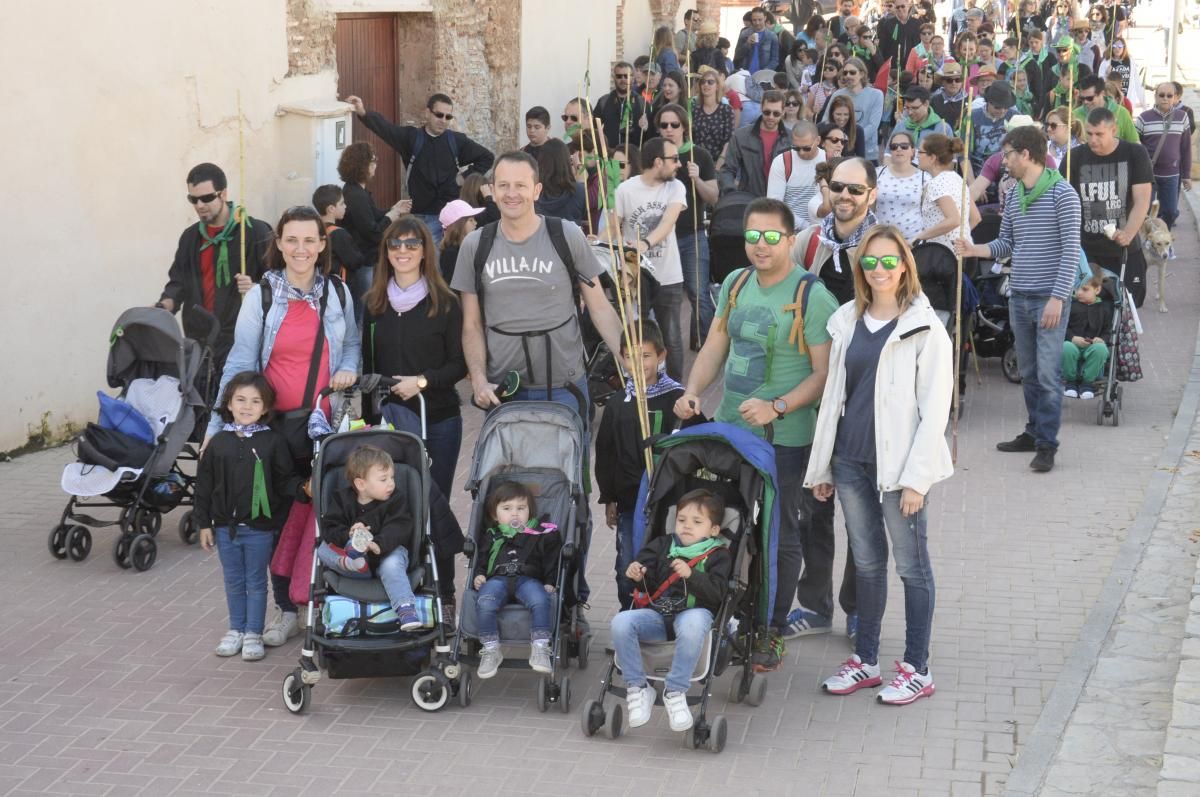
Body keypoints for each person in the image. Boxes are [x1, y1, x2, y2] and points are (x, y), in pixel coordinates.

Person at [675, 197, 840, 673]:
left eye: (771, 237)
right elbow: (715, 345)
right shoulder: (736, 281)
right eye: (753, 236)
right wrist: (693, 392)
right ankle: (722, 609)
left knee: (780, 533)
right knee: (725, 522)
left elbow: (823, 373)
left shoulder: (813, 294)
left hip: (784, 437)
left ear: (791, 239)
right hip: (730, 429)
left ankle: (769, 627)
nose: (760, 245)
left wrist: (778, 405)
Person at [806, 224, 952, 707]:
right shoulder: (848, 319)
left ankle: (917, 667)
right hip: (851, 460)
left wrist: (917, 479)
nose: (880, 269)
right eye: (871, 261)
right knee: (867, 564)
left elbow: (935, 411)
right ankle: (866, 660)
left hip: (899, 470)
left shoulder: (925, 327)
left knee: (912, 568)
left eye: (890, 261)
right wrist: (823, 467)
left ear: (905, 266)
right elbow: (833, 398)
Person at [207, 205, 361, 645]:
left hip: (323, 426)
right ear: (278, 244)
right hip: (272, 429)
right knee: (273, 518)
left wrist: (348, 368)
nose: (300, 248)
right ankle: (285, 608)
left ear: (321, 244)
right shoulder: (262, 297)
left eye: (309, 240)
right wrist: (217, 429)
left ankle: (325, 601)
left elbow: (350, 344)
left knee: (325, 514)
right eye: (291, 240)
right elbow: (239, 363)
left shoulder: (338, 294)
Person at [954, 125, 1081, 473]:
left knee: (1048, 373)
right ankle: (1033, 431)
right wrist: (975, 248)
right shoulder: (1014, 196)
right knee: (1028, 371)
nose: (1003, 161)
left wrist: (1058, 297)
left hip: (1048, 298)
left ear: (1026, 154)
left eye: (1008, 154)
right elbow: (1006, 243)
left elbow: (1071, 251)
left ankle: (1046, 445)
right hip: (1020, 295)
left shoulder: (1063, 195)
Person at [195, 372, 298, 662]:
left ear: (265, 408)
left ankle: (253, 632)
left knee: (255, 580)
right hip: (226, 527)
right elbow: (203, 486)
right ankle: (235, 629)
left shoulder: (274, 443)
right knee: (233, 580)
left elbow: (284, 480)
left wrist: (305, 488)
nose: (247, 406)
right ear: (228, 403)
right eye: (240, 399)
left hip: (260, 529)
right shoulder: (217, 443)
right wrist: (204, 523)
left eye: (256, 401)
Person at [361, 215, 466, 501]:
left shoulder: (445, 303)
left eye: (411, 244)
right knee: (394, 502)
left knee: (434, 501)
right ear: (386, 251)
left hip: (438, 419)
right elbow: (368, 366)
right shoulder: (373, 304)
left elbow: (459, 364)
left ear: (424, 251)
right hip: (390, 421)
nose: (403, 250)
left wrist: (420, 382)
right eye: (395, 243)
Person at [613, 489, 733, 731]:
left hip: (693, 614)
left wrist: (693, 576)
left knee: (694, 621)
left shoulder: (719, 555)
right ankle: (638, 687)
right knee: (621, 622)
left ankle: (675, 690)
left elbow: (719, 593)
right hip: (658, 615)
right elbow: (641, 574)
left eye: (697, 522)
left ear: (713, 530)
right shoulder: (662, 545)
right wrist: (636, 573)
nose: (687, 526)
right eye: (681, 520)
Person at [596, 320, 684, 609]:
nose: (638, 363)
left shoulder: (677, 399)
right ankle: (628, 614)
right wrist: (609, 496)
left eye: (645, 355)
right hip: (629, 501)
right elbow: (606, 452)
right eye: (630, 356)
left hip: (668, 501)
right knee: (628, 562)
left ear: (662, 356)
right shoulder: (618, 402)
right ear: (622, 358)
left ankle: (662, 616)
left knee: (665, 561)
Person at [158, 163, 271, 368]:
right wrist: (163, 306)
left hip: (241, 341)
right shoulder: (190, 237)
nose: (200, 205)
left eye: (207, 198)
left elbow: (279, 284)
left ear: (223, 194)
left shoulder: (255, 232)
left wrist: (256, 288)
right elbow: (178, 283)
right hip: (199, 343)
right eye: (193, 199)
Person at [344, 93, 495, 244]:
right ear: (427, 113)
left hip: (448, 218)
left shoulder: (456, 141)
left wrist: (463, 178)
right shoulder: (412, 138)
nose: (443, 120)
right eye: (439, 115)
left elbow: (487, 157)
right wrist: (363, 112)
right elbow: (386, 129)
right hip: (420, 217)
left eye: (448, 117)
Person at [317, 444, 424, 632]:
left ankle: (406, 608)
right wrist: (348, 533)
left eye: (392, 477)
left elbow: (399, 527)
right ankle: (354, 563)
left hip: (387, 553)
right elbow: (330, 528)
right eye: (384, 479)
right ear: (361, 484)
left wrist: (377, 544)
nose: (391, 483)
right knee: (322, 550)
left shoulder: (396, 500)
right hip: (354, 561)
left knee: (392, 563)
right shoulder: (341, 500)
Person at [1061, 107, 1153, 307]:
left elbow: (1142, 200)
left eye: (1099, 134)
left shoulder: (1135, 153)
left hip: (1124, 250)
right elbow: (1064, 203)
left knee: (1127, 308)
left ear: (1114, 130)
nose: (1093, 140)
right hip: (1086, 251)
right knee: (1085, 308)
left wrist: (1128, 233)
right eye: (1089, 133)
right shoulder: (1073, 157)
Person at [615, 137, 688, 379]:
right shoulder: (625, 189)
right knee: (636, 334)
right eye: (674, 159)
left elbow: (668, 222)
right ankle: (638, 385)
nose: (679, 164)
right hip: (637, 278)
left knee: (672, 337)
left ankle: (676, 389)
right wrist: (597, 239)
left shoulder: (675, 187)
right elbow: (614, 226)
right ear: (658, 162)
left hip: (668, 275)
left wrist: (644, 244)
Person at [473, 481, 561, 678]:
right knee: (485, 601)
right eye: (507, 509)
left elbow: (551, 560)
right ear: (495, 515)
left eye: (521, 508)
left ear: (530, 511)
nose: (515, 514)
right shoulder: (492, 536)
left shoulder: (539, 533)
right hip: (497, 578)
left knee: (540, 599)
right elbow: (482, 559)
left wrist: (549, 581)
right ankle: (491, 649)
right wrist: (479, 574)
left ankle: (540, 646)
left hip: (528, 579)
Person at [656, 104, 718, 351]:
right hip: (661, 237)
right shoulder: (653, 155)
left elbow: (713, 196)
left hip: (691, 234)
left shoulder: (699, 155)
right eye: (663, 125)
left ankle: (705, 345)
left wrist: (697, 178)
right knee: (661, 296)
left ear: (684, 127)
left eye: (674, 125)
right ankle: (662, 346)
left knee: (699, 293)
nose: (669, 130)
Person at [793, 157, 880, 306]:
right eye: (837, 186)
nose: (844, 195)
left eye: (856, 189)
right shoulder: (809, 240)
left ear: (871, 195)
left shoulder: (887, 248)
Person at [336, 142, 409, 298]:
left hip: (365, 259)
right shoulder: (355, 194)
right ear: (362, 164)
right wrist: (391, 216)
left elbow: (373, 214)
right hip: (361, 261)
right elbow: (372, 232)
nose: (376, 165)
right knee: (362, 306)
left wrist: (394, 209)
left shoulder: (357, 190)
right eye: (373, 160)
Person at [1135, 83, 1193, 231]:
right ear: (1155, 96)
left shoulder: (1182, 117)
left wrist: (1186, 175)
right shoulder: (1143, 118)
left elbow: (1186, 148)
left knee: (1171, 212)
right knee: (1146, 212)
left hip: (1172, 174)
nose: (1165, 98)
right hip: (1148, 174)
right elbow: (1135, 148)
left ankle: (1162, 238)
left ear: (1175, 98)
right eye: (1161, 95)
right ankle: (1149, 241)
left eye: (1169, 95)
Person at [313, 184, 370, 323]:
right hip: (341, 287)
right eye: (342, 203)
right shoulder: (339, 234)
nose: (345, 207)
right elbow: (354, 261)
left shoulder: (315, 230)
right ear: (331, 209)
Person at [719, 90, 791, 197]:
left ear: (783, 112)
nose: (771, 117)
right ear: (761, 108)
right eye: (767, 112)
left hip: (780, 200)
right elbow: (728, 169)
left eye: (776, 113)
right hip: (749, 199)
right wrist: (731, 193)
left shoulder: (791, 138)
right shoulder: (741, 136)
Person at [914, 134, 972, 249]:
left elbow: (954, 220)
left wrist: (920, 237)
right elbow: (975, 218)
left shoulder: (936, 184)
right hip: (966, 250)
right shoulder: (957, 179)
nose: (917, 155)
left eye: (920, 152)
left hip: (944, 256)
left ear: (932, 158)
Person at [1061, 274, 1112, 399]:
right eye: (1076, 288)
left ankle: (1087, 383)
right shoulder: (1070, 305)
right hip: (1073, 343)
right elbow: (1062, 327)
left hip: (1092, 346)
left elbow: (1107, 330)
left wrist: (1102, 339)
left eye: (1084, 289)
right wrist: (1072, 338)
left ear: (1097, 290)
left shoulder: (1104, 309)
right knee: (1065, 347)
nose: (1079, 293)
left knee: (1101, 349)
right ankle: (1070, 381)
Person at [823, 58, 883, 162]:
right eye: (845, 73)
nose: (848, 76)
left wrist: (851, 142)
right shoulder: (838, 94)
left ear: (862, 74)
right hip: (839, 153)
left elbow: (873, 125)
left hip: (867, 154)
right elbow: (826, 121)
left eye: (852, 72)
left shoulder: (876, 95)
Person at [768, 120, 826, 227]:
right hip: (790, 229)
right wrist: (806, 226)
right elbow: (774, 205)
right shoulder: (782, 162)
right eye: (796, 148)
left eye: (806, 148)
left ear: (818, 140)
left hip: (822, 231)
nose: (801, 152)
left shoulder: (829, 160)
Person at [874, 131, 926, 240]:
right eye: (894, 147)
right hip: (881, 237)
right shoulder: (877, 173)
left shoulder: (925, 178)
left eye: (904, 146)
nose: (899, 149)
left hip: (912, 240)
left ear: (913, 151)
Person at [533, 139, 588, 227]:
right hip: (570, 237)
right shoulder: (578, 191)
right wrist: (579, 167)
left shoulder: (534, 191)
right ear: (566, 162)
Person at [594, 62, 647, 152]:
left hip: (633, 156)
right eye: (619, 76)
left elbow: (650, 134)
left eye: (626, 76)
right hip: (611, 155)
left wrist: (646, 128)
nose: (623, 79)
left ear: (632, 78)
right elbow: (593, 128)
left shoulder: (642, 103)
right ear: (614, 78)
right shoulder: (604, 101)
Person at [1071, 75, 1138, 142]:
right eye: (1082, 98)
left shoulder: (1122, 113)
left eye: (1089, 98)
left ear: (1102, 94)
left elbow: (1135, 143)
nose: (1085, 102)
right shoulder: (1075, 115)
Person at [969, 81, 1016, 172]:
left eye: (1006, 107)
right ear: (988, 102)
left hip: (1007, 173)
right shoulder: (972, 117)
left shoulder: (1015, 117)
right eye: (997, 107)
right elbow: (964, 155)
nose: (1002, 111)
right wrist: (972, 183)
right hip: (978, 171)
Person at [693, 66, 737, 163]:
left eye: (710, 82)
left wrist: (722, 159)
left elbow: (729, 138)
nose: (706, 84)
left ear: (717, 86)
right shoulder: (695, 110)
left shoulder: (726, 110)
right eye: (703, 82)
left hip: (718, 161)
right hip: (697, 161)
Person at [437, 200, 484, 283]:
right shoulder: (451, 253)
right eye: (471, 220)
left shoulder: (466, 246)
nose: (476, 223)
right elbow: (454, 284)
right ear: (458, 224)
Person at [1097, 38, 1143, 111]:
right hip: (1113, 97)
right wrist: (1107, 74)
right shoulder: (1106, 62)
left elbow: (1136, 80)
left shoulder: (1130, 60)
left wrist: (1142, 101)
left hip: (1128, 96)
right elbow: (1100, 81)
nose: (1117, 49)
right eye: (1114, 46)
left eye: (1120, 46)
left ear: (1124, 47)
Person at [878, 0, 923, 70]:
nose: (900, 9)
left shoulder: (917, 23)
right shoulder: (887, 24)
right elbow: (882, 46)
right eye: (897, 7)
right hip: (893, 66)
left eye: (903, 6)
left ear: (908, 6)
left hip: (912, 65)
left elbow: (920, 44)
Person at [736, 7, 781, 72]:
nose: (757, 23)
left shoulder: (772, 36)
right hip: (745, 73)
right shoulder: (744, 34)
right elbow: (737, 55)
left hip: (763, 75)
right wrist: (747, 44)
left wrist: (764, 72)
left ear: (765, 18)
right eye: (754, 20)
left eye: (760, 20)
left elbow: (775, 60)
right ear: (751, 19)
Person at [826, 94, 867, 159]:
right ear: (832, 113)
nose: (842, 118)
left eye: (846, 114)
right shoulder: (824, 129)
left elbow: (861, 159)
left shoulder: (858, 131)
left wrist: (841, 160)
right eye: (838, 114)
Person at [931, 62, 969, 132]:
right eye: (949, 80)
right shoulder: (934, 100)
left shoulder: (970, 100)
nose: (954, 83)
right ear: (943, 82)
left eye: (957, 80)